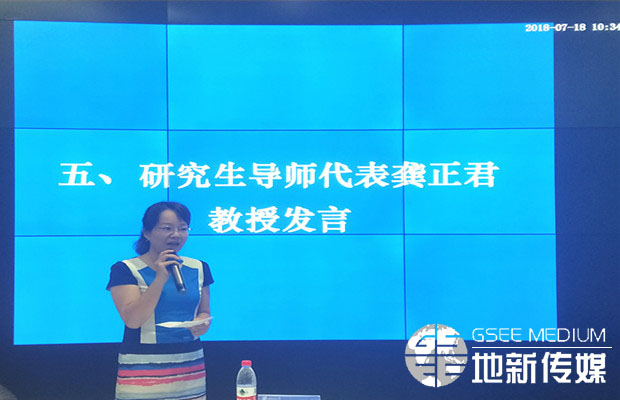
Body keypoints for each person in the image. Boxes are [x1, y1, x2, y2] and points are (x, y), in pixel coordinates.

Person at [106, 201, 214, 400]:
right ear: (146, 232)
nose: (176, 235)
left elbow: (204, 311)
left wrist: (202, 323)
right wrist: (160, 278)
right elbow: (133, 320)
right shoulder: (125, 269)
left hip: (189, 367)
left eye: (183, 228)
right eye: (167, 228)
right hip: (142, 371)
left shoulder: (199, 267)